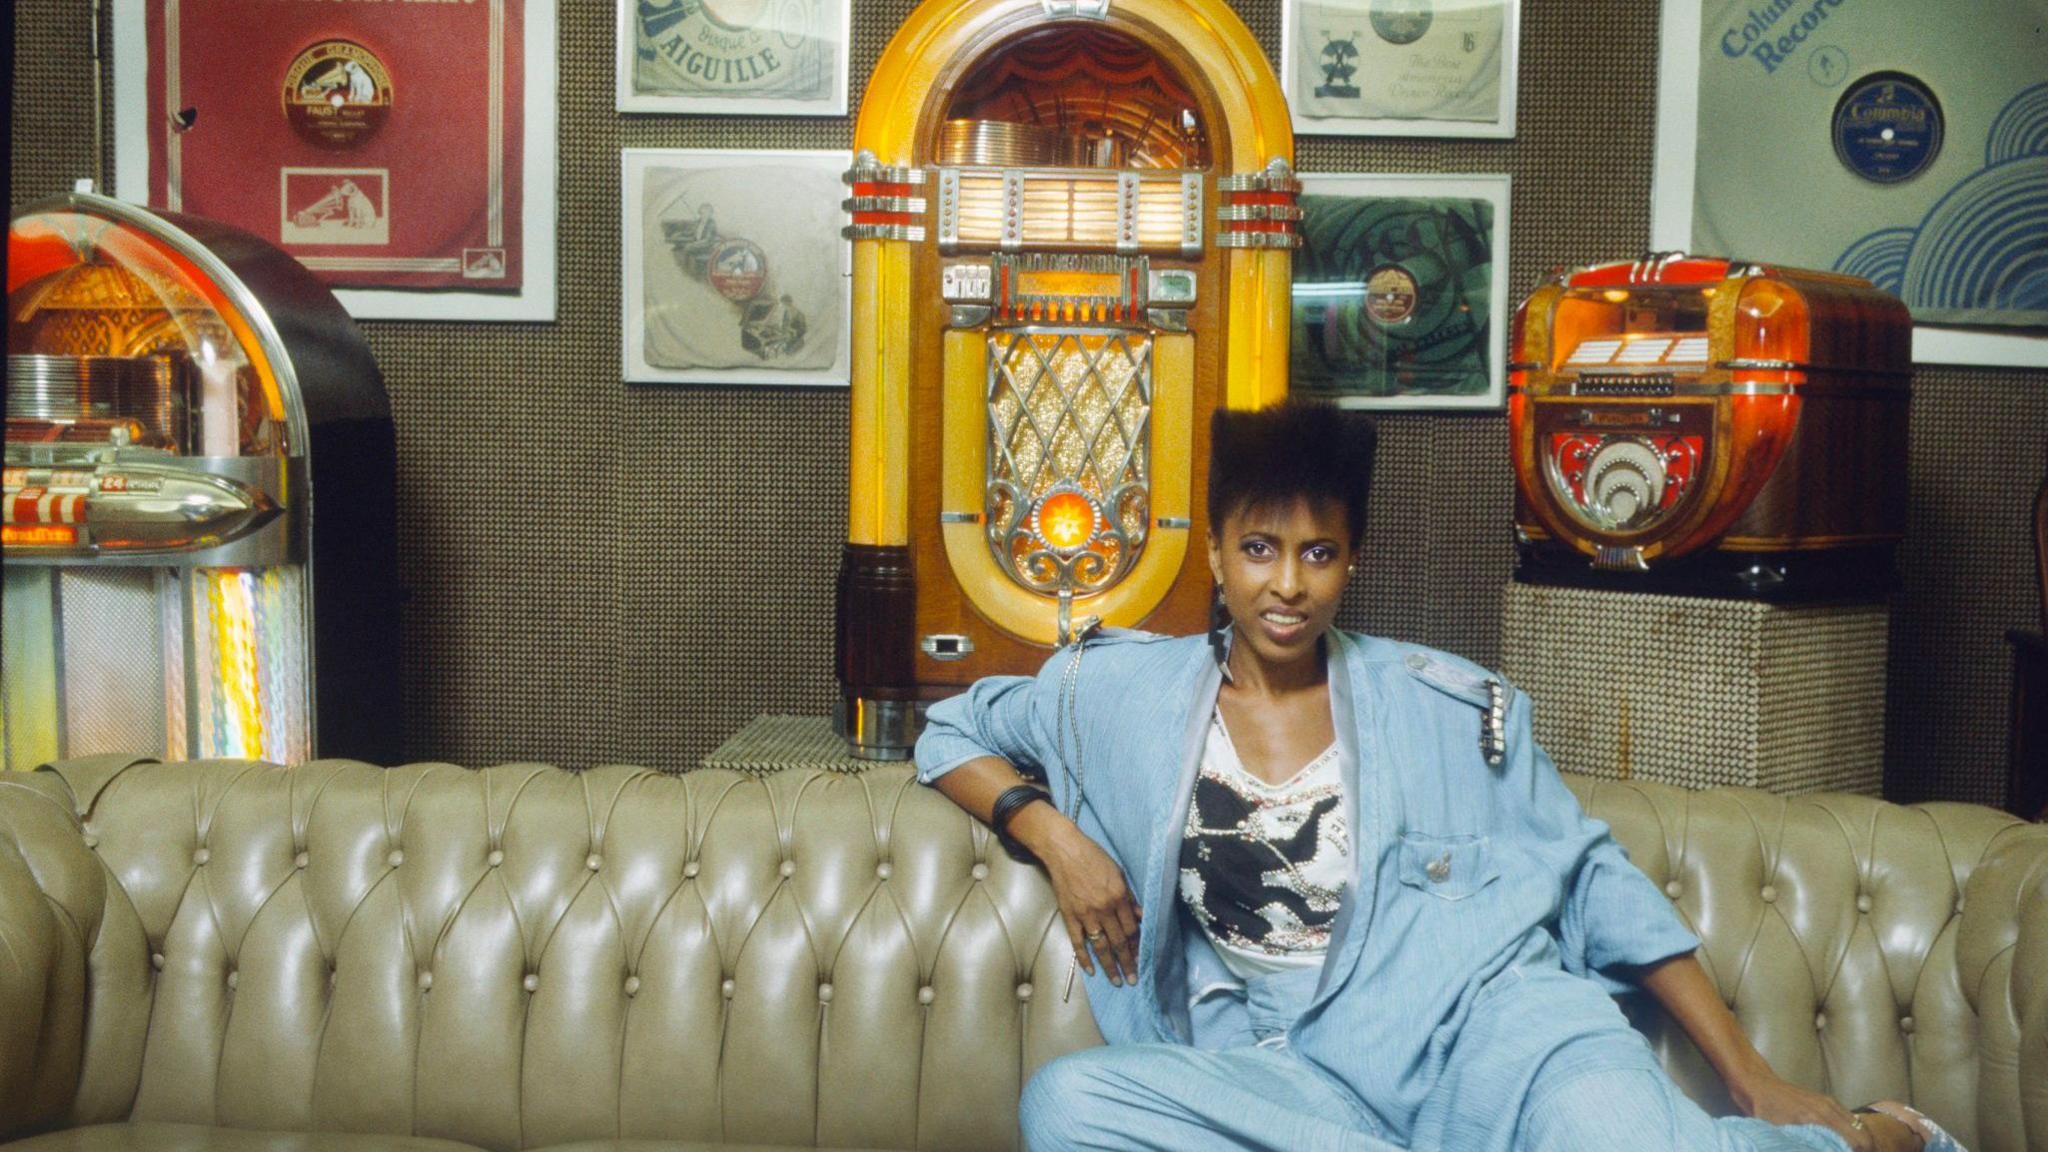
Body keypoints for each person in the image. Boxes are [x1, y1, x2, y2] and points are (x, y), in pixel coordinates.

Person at [914, 403, 1962, 1152]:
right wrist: (1054, 837)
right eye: (1260, 549)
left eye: (1317, 553)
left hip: (1492, 1036)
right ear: (1218, 559)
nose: (1286, 585)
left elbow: (1594, 883)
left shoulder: (1446, 703)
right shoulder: (1123, 695)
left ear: (1351, 560)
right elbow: (951, 728)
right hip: (1290, 1068)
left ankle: (1868, 1142)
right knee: (1069, 1107)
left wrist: (1755, 1080)